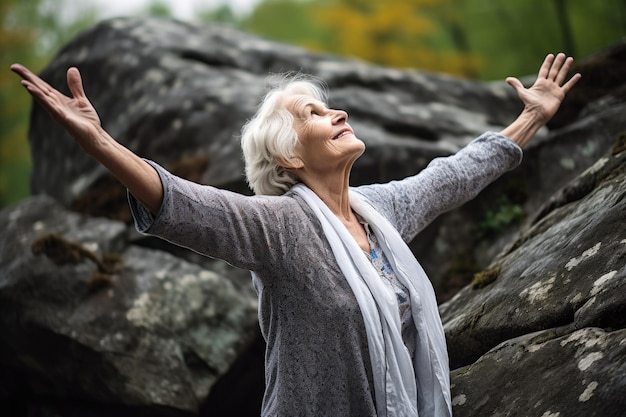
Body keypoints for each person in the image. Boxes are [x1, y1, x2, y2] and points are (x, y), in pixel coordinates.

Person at [11, 53, 580, 417]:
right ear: (288, 154)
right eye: (313, 113)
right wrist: (101, 144)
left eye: (330, 107)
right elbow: (188, 204)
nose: (336, 114)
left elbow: (450, 176)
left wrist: (531, 117)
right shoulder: (281, 228)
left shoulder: (378, 210)